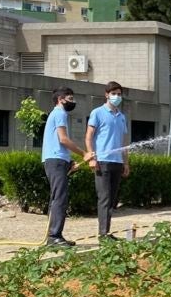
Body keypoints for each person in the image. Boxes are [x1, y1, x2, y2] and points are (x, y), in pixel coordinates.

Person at [41, 87, 94, 246]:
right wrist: (83, 153)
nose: (73, 102)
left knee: (58, 197)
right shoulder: (60, 113)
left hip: (58, 160)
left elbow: (59, 143)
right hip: (55, 160)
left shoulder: (57, 114)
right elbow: (63, 139)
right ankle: (54, 236)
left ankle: (54, 235)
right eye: (70, 98)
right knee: (60, 198)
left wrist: (70, 162)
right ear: (60, 99)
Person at [86, 81, 131, 239]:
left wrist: (126, 162)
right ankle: (103, 234)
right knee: (104, 198)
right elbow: (89, 136)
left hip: (117, 162)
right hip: (102, 161)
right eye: (113, 94)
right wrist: (92, 156)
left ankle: (107, 231)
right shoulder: (97, 113)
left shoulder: (122, 117)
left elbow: (124, 142)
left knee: (112, 199)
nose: (116, 97)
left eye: (119, 94)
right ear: (106, 95)